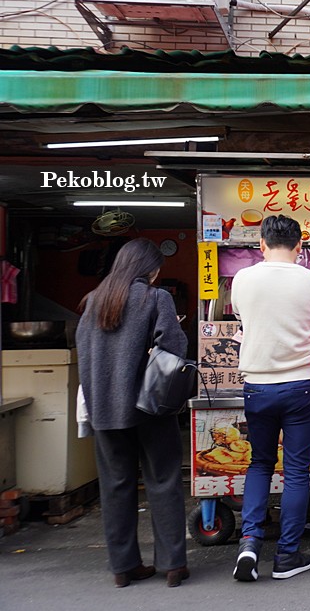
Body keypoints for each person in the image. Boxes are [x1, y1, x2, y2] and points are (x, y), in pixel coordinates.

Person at [76, 238, 190, 588]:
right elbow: (174, 349)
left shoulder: (94, 300)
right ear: (149, 269)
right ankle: (172, 566)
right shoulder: (156, 298)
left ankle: (123, 568)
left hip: (104, 409)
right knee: (164, 480)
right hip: (150, 407)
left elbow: (84, 353)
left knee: (115, 486)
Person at [230, 215, 310, 582]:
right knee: (295, 471)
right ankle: (287, 555)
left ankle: (249, 545)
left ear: (261, 244)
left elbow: (243, 321)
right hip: (301, 385)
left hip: (257, 385)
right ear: (299, 245)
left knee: (259, 464)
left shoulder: (242, 279)